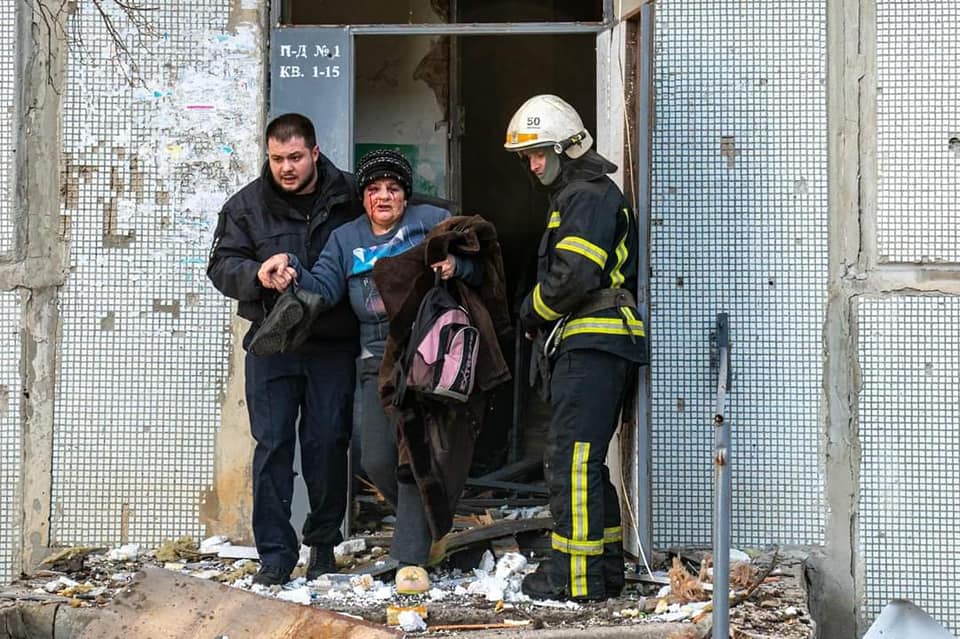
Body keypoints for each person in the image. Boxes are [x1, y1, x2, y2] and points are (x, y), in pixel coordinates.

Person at [256, 149, 484, 570]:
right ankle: (432, 524)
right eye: (374, 189)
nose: (384, 197)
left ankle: (409, 558)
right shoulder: (346, 238)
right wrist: (290, 268)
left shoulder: (432, 221)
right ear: (362, 197)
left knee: (414, 455)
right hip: (373, 362)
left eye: (393, 189)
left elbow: (480, 262)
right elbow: (323, 288)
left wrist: (458, 264)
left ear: (406, 196)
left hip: (425, 359)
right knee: (374, 457)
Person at [207, 113, 363, 586]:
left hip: (332, 342)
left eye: (295, 157)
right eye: (277, 159)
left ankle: (322, 546)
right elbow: (220, 266)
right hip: (273, 344)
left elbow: (390, 223)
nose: (286, 168)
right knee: (273, 445)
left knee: (328, 443)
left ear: (315, 153)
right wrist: (258, 272)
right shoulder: (246, 207)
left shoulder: (352, 195)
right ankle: (275, 555)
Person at [503, 94, 648, 601]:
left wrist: (528, 311)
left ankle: (575, 578)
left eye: (540, 153)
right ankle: (604, 570)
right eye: (528, 156)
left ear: (569, 147)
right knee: (585, 460)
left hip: (594, 341)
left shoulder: (585, 195)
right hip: (593, 343)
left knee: (571, 458)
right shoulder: (579, 195)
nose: (533, 164)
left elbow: (573, 278)